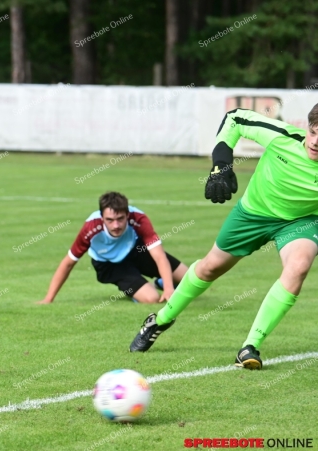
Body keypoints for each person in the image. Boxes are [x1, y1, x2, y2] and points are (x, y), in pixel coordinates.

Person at [129, 107, 318, 370]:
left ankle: (250, 346)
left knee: (298, 267)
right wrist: (221, 165)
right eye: (312, 132)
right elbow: (235, 118)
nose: (315, 141)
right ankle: (160, 320)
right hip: (253, 213)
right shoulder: (283, 137)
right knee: (209, 268)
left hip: (301, 221)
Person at [37, 192, 187, 305]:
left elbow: (159, 256)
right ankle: (134, 291)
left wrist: (168, 288)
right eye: (110, 220)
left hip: (136, 251)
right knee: (152, 298)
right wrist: (48, 299)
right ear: (102, 217)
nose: (116, 225)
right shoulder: (90, 228)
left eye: (120, 219)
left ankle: (161, 282)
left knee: (188, 277)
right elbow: (68, 263)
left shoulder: (138, 218)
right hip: (110, 264)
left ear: (127, 215)